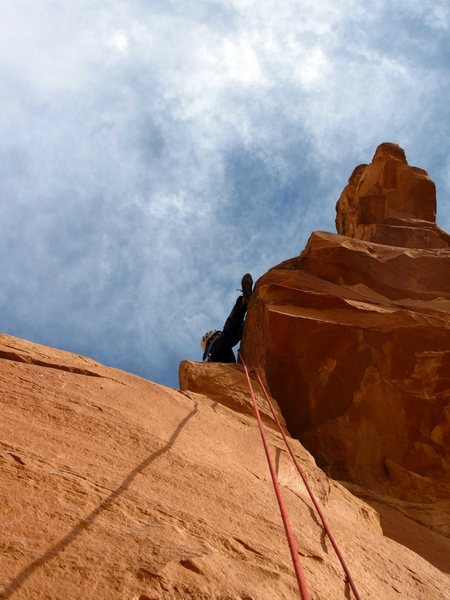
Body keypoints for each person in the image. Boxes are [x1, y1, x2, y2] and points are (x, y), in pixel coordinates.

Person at [201, 273, 253, 363]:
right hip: (215, 355)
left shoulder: (213, 346)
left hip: (218, 358)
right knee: (227, 335)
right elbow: (227, 335)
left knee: (231, 334)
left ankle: (244, 305)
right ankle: (243, 303)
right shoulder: (212, 343)